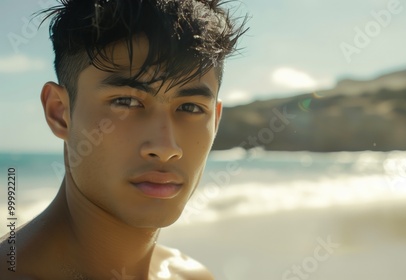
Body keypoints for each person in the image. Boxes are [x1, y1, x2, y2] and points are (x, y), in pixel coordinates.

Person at [0, 0, 246, 279]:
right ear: (59, 113)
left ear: (215, 120)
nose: (166, 149)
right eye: (126, 102)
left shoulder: (192, 275)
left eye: (190, 108)